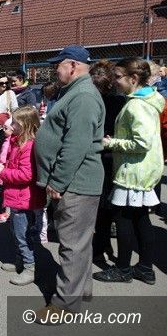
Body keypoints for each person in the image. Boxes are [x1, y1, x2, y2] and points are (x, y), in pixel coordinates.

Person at [34, 45, 105, 319]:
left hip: (75, 182)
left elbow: (76, 145)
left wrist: (58, 180)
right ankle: (80, 291)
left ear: (73, 65)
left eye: (58, 65)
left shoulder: (83, 96)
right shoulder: (75, 92)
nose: (55, 70)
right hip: (75, 182)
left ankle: (64, 305)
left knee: (71, 245)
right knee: (79, 242)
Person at [93, 58, 164, 285]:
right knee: (141, 220)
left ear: (133, 79)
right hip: (142, 170)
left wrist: (111, 143)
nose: (114, 81)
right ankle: (145, 268)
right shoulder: (147, 100)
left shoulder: (136, 105)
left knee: (123, 220)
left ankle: (123, 269)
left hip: (132, 172)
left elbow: (141, 142)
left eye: (118, 77)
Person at [0, 107, 45, 286]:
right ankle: (20, 262)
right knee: (17, 233)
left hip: (23, 198)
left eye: (15, 123)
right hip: (17, 197)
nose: (12, 126)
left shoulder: (28, 145)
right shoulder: (18, 142)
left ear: (25, 125)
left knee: (23, 236)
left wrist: (3, 172)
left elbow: (26, 175)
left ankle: (30, 268)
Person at [89, 60, 126, 266]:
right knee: (110, 207)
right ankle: (107, 248)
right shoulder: (121, 101)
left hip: (103, 155)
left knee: (102, 207)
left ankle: (99, 249)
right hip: (116, 156)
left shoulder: (97, 102)